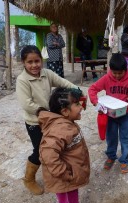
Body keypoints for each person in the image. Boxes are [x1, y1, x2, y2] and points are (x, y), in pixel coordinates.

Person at [16, 45, 81, 195]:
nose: (34, 65)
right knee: (39, 151)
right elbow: (26, 103)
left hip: (49, 120)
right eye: (30, 62)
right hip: (34, 122)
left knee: (54, 147)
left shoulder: (46, 73)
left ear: (42, 60)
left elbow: (62, 82)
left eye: (37, 61)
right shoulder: (22, 80)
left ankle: (54, 171)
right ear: (23, 63)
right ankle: (29, 179)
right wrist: (42, 111)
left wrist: (76, 90)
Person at [37, 87, 90, 203]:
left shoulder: (67, 123)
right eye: (77, 104)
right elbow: (48, 155)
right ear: (65, 111)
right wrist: (65, 174)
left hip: (70, 177)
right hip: (64, 180)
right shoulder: (60, 129)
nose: (81, 107)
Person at [88, 53, 128, 173]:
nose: (117, 76)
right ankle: (111, 156)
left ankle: (124, 160)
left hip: (126, 114)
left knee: (125, 138)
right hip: (110, 114)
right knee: (111, 137)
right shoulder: (107, 78)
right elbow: (92, 89)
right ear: (110, 70)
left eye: (120, 73)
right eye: (114, 73)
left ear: (125, 70)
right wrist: (96, 102)